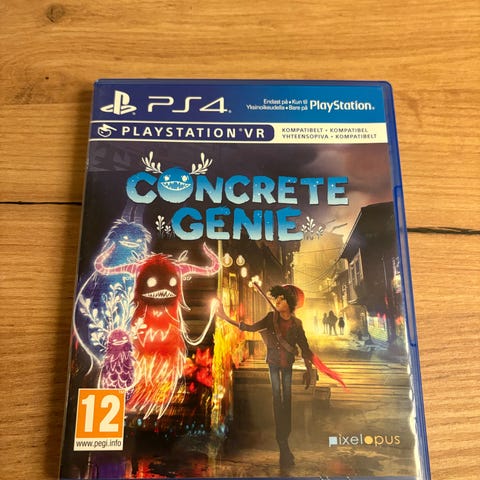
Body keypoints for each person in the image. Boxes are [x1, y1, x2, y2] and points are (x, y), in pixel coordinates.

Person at [215, 284, 314, 468]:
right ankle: (283, 445)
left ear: (290, 303)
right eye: (277, 298)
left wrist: (309, 370)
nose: (278, 301)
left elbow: (305, 348)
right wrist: (226, 318)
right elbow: (250, 328)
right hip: (274, 365)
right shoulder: (270, 318)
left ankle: (284, 441)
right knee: (277, 400)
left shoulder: (297, 324)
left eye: (282, 299)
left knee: (286, 401)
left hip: (287, 366)